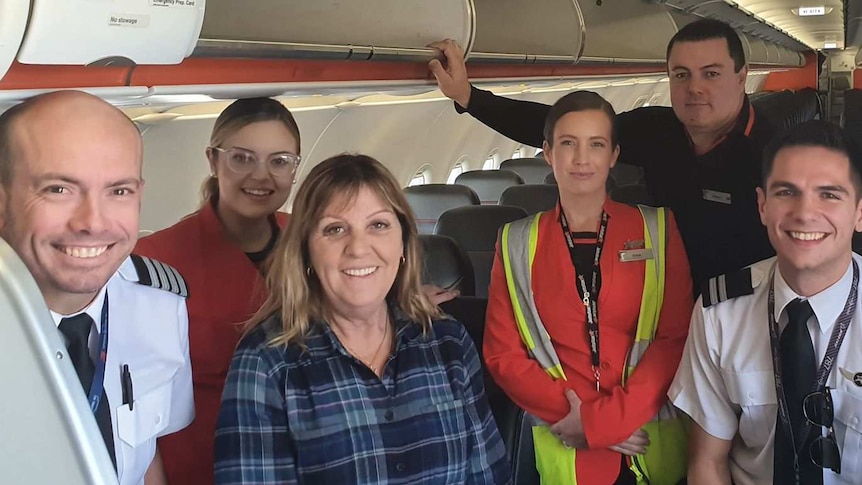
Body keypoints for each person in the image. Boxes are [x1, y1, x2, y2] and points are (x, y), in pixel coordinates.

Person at [213, 154, 511, 485]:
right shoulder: (266, 362)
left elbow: (486, 474)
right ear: (306, 250)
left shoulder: (447, 341)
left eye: (378, 225)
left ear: (403, 242)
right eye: (335, 229)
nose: (358, 248)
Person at [428, 18, 777, 287]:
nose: (695, 88)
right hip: (661, 302)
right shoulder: (658, 130)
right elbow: (559, 126)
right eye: (681, 74)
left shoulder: (778, 153)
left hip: (746, 314)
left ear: (741, 76)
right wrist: (469, 97)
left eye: (711, 74)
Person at [484, 91, 693, 485]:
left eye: (596, 144)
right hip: (567, 448)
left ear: (614, 155)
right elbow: (503, 355)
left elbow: (674, 339)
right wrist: (581, 424)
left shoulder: (658, 229)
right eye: (568, 144)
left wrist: (602, 425)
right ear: (547, 153)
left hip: (647, 442)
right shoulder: (514, 241)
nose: (582, 159)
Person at [0, 90, 193, 485]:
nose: (93, 222)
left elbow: (144, 456)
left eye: (118, 191)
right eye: (59, 189)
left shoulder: (160, 306)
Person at [669, 120, 862, 485]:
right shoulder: (720, 313)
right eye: (786, 192)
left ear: (860, 212)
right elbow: (707, 462)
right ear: (762, 206)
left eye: (830, 194)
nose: (805, 213)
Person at [134, 97, 299, 485]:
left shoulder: (312, 241)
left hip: (305, 456)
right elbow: (136, 402)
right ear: (213, 160)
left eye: (279, 161)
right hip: (204, 463)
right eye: (242, 158)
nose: (261, 176)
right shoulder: (156, 259)